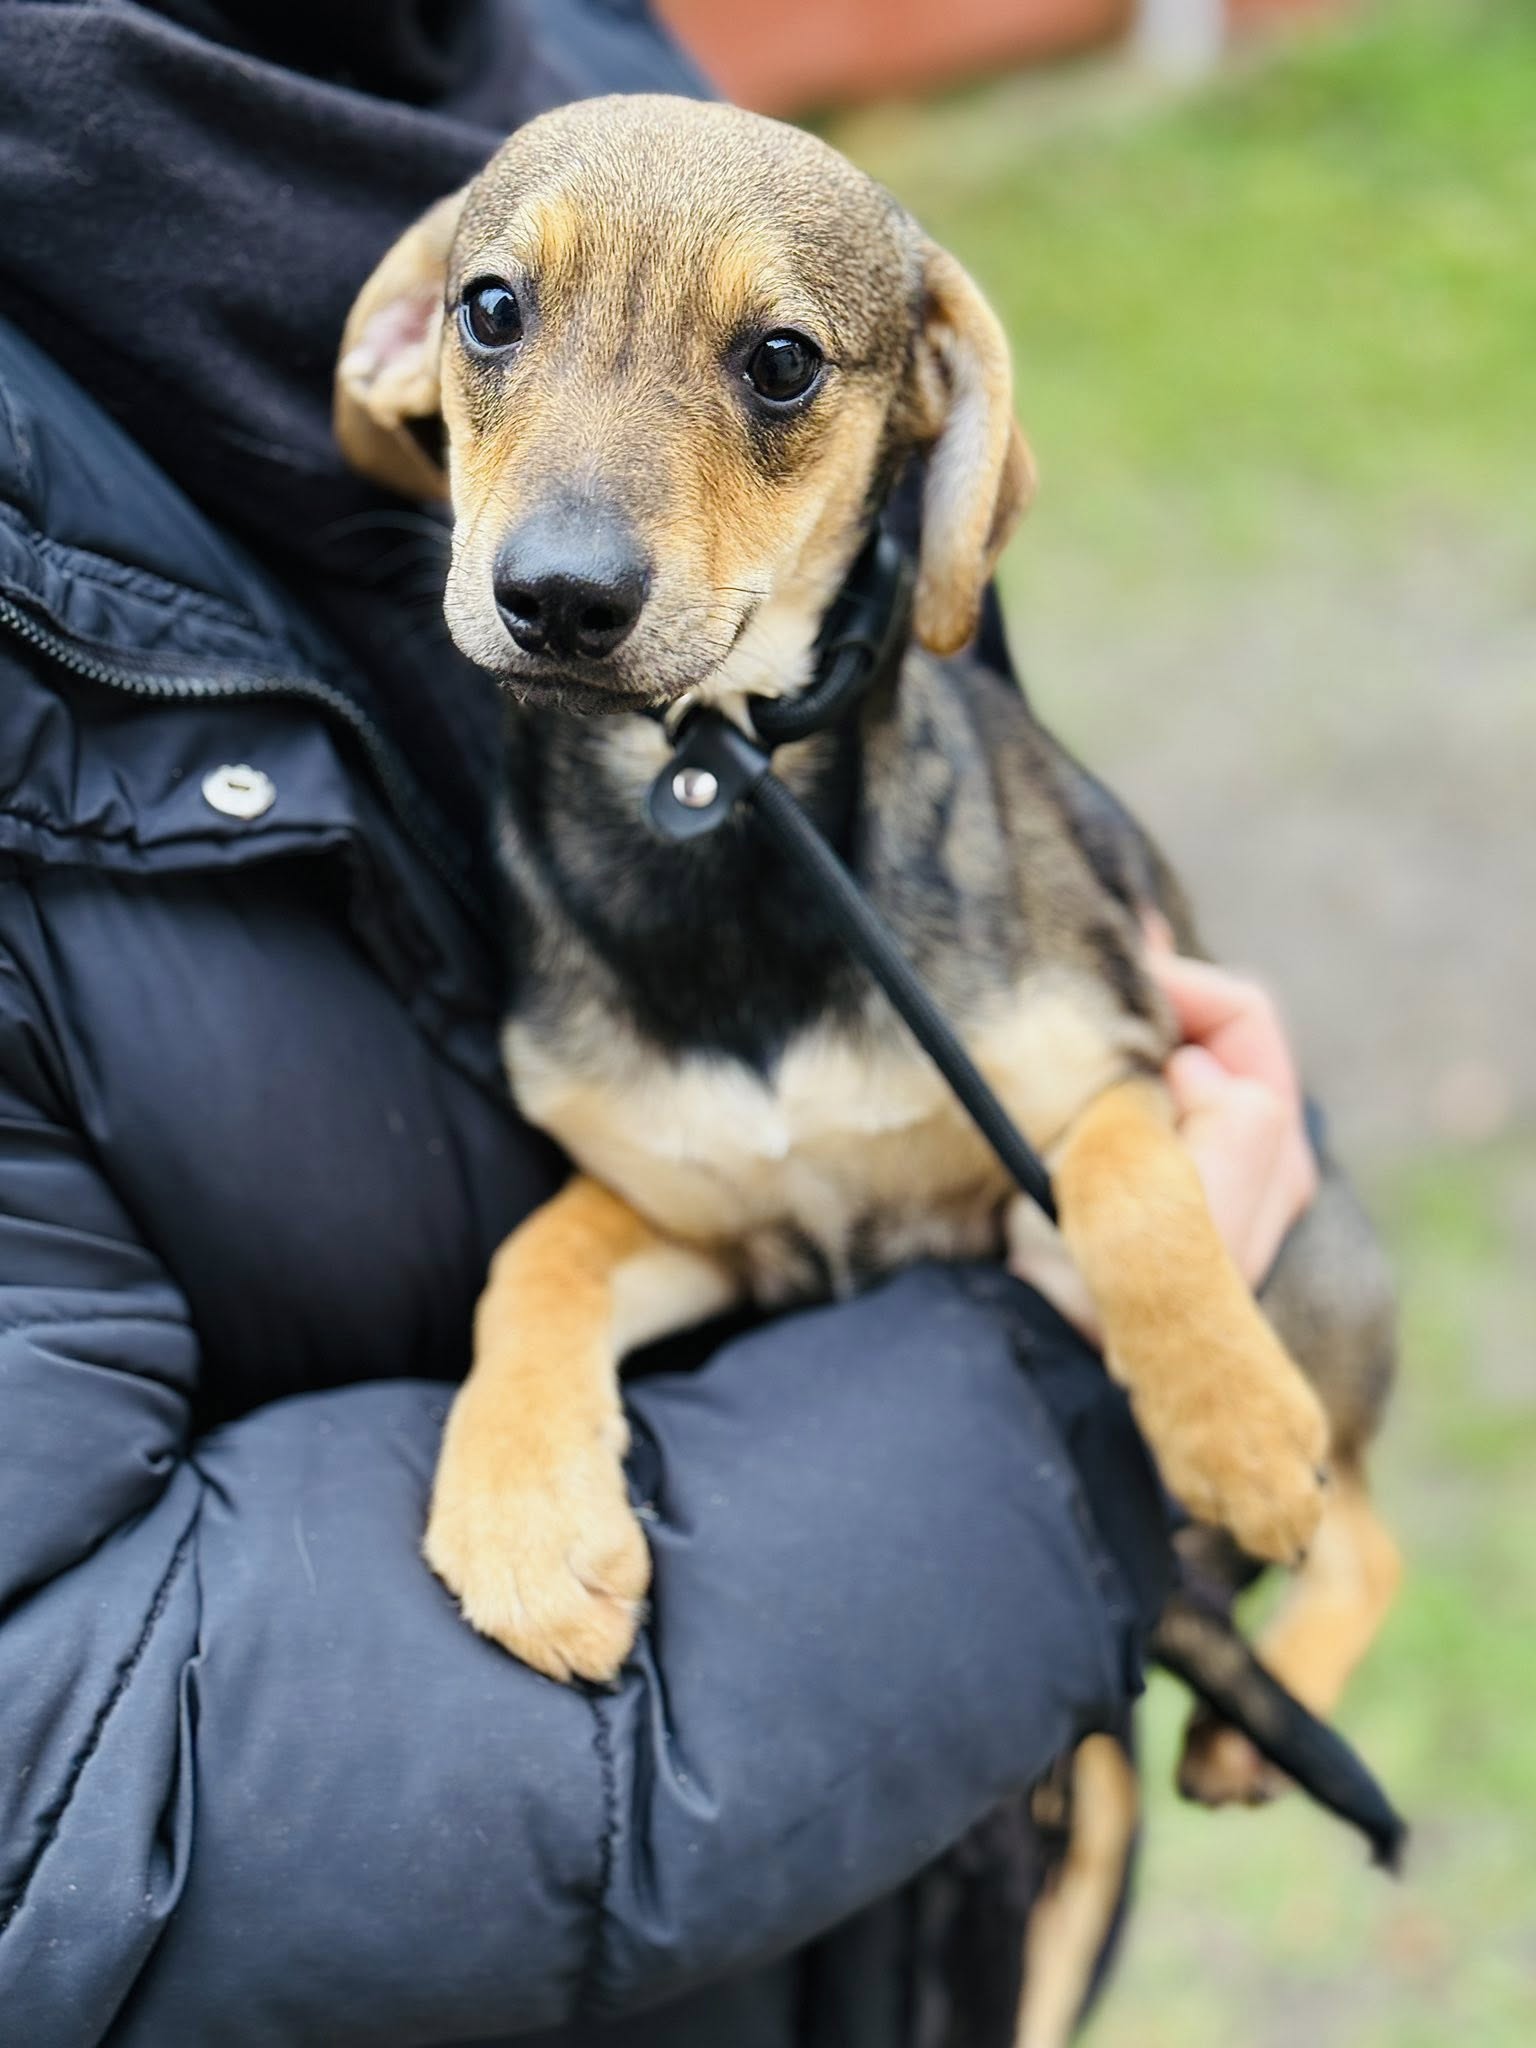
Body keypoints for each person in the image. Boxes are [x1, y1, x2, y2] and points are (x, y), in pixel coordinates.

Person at [0, 5, 1319, 2043]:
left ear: (947, 433)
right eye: (502, 322)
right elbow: (78, 1803)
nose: (566, 548)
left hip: (938, 1870)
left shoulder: (577, 42)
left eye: (770, 368)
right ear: (405, 350)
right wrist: (1048, 1397)